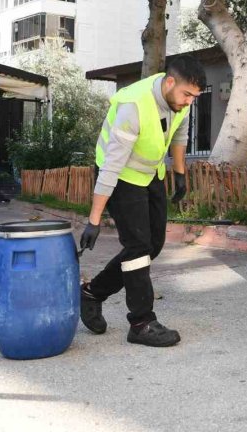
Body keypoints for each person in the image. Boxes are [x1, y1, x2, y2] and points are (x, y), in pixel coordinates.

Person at [79, 55, 206, 347]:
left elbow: (180, 133)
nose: (189, 102)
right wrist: (94, 220)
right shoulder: (134, 106)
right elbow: (111, 164)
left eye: (194, 97)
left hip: (150, 173)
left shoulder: (179, 100)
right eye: (187, 95)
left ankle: (93, 292)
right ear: (170, 82)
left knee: (153, 246)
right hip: (121, 175)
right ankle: (141, 322)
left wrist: (179, 173)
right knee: (137, 247)